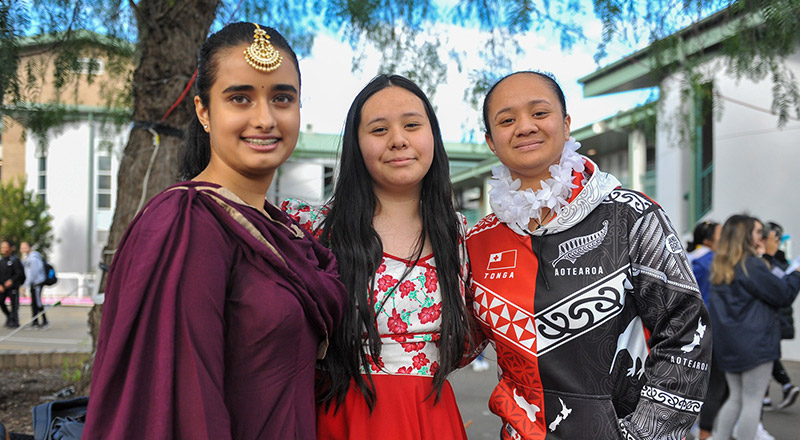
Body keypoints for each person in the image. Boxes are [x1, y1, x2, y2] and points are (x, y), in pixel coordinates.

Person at [83, 22, 348, 439]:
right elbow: (188, 407)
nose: (265, 119)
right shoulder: (187, 224)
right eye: (240, 98)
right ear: (204, 112)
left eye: (282, 98)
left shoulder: (283, 230)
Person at [465, 71, 711, 439]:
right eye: (506, 120)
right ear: (490, 141)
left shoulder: (631, 216)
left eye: (539, 113)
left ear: (566, 125)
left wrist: (643, 434)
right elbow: (456, 342)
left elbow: (686, 332)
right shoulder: (477, 241)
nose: (525, 126)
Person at [282, 74, 476, 439]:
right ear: (356, 145)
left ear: (433, 136)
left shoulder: (460, 235)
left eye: (412, 125)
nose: (398, 139)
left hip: (431, 420)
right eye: (379, 129)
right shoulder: (312, 230)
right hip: (341, 418)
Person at [708, 214, 800, 440]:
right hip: (756, 344)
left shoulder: (722, 265)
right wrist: (797, 273)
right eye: (758, 232)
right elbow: (782, 294)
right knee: (752, 401)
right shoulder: (750, 265)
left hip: (730, 344)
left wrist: (767, 257)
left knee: (736, 398)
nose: (763, 237)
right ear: (745, 235)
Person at [686, 221, 726, 440]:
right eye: (721, 234)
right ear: (709, 239)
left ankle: (691, 424)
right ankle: (704, 430)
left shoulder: (688, 256)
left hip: (687, 325)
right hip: (708, 326)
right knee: (713, 383)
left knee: (691, 379)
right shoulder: (711, 260)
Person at [761, 221, 800, 411]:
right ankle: (771, 394)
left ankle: (783, 387)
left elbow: (780, 291)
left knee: (766, 356)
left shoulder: (773, 263)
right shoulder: (778, 262)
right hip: (776, 319)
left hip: (774, 319)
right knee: (767, 356)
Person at [20, 241, 48, 329]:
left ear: (30, 247)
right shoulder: (28, 258)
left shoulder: (34, 259)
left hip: (37, 283)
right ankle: (35, 321)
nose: (23, 249)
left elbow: (33, 274)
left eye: (25, 247)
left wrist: (24, 285)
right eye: (21, 247)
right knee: (34, 303)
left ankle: (44, 321)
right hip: (33, 283)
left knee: (37, 302)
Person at [0, 240, 26, 328]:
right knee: (1, 302)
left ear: (10, 248)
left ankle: (14, 320)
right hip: (3, 287)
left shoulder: (15, 260)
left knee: (14, 305)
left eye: (5, 247)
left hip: (12, 287)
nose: (3, 249)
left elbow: (19, 273)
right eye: (2, 247)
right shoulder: (1, 260)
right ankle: (9, 316)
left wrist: (12, 280)